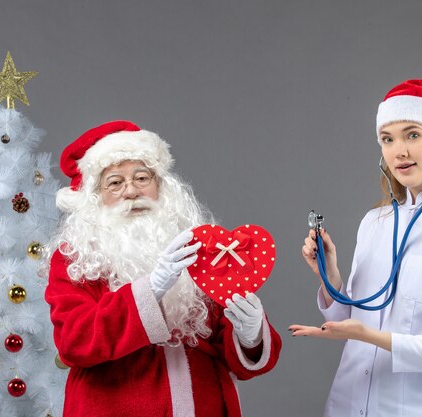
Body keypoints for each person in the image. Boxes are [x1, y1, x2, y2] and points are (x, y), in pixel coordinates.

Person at [289, 79, 422, 417]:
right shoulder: (375, 222)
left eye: (412, 134)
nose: (398, 151)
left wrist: (375, 338)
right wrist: (330, 277)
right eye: (387, 139)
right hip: (347, 405)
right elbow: (351, 321)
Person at [45, 120, 281, 417]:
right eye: (115, 182)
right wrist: (150, 290)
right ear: (95, 197)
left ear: (161, 186)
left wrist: (249, 336)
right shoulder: (74, 258)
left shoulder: (200, 247)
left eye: (142, 178)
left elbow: (229, 342)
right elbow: (74, 342)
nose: (131, 191)